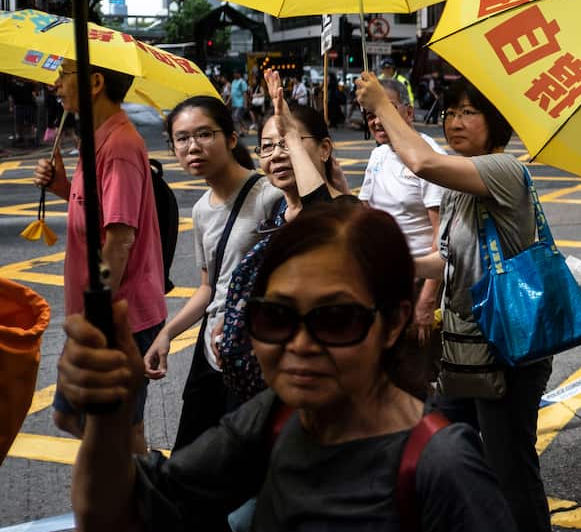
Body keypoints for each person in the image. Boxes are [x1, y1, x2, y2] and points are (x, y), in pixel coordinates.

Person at [58, 202, 523, 532]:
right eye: (276, 317)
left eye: (336, 319)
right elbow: (106, 523)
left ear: (395, 322)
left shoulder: (444, 467)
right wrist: (108, 413)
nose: (300, 344)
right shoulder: (276, 418)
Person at [356, 74, 552, 532]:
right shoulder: (462, 183)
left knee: (510, 469)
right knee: (441, 445)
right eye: (449, 113)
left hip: (507, 346)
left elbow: (420, 161)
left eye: (469, 112)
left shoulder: (502, 171)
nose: (455, 121)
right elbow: (446, 261)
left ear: (495, 122)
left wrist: (382, 103)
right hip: (465, 346)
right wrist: (392, 260)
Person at [34, 60, 166, 455]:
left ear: (94, 82)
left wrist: (100, 310)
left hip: (119, 315)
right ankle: (124, 483)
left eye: (64, 75)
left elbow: (120, 238)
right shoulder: (95, 139)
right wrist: (60, 184)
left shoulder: (120, 146)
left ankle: (140, 502)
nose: (55, 85)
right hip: (98, 312)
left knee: (127, 431)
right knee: (70, 416)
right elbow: (97, 212)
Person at [141, 97, 283, 454]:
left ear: (232, 139)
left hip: (252, 351)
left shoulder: (269, 195)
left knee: (240, 462)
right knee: (190, 455)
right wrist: (167, 334)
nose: (193, 147)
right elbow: (209, 287)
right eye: (182, 138)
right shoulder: (202, 208)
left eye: (205, 134)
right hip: (210, 353)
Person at [219, 70, 356, 404]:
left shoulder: (347, 211)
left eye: (288, 143)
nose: (277, 154)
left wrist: (290, 133)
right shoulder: (278, 210)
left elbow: (320, 216)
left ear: (324, 150)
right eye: (267, 147)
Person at [360, 79, 446, 346]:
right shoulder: (379, 155)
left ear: (408, 113)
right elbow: (366, 213)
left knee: (417, 368)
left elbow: (441, 238)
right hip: (382, 279)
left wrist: (427, 298)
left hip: (418, 282)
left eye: (385, 110)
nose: (376, 121)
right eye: (370, 114)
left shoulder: (429, 157)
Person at [229, 70, 249, 136]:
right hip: (234, 103)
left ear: (239, 74)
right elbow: (232, 93)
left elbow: (244, 94)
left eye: (235, 73)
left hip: (240, 103)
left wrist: (245, 104)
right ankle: (245, 128)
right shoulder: (233, 81)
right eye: (234, 73)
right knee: (239, 118)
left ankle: (239, 131)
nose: (234, 75)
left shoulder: (242, 82)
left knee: (235, 117)